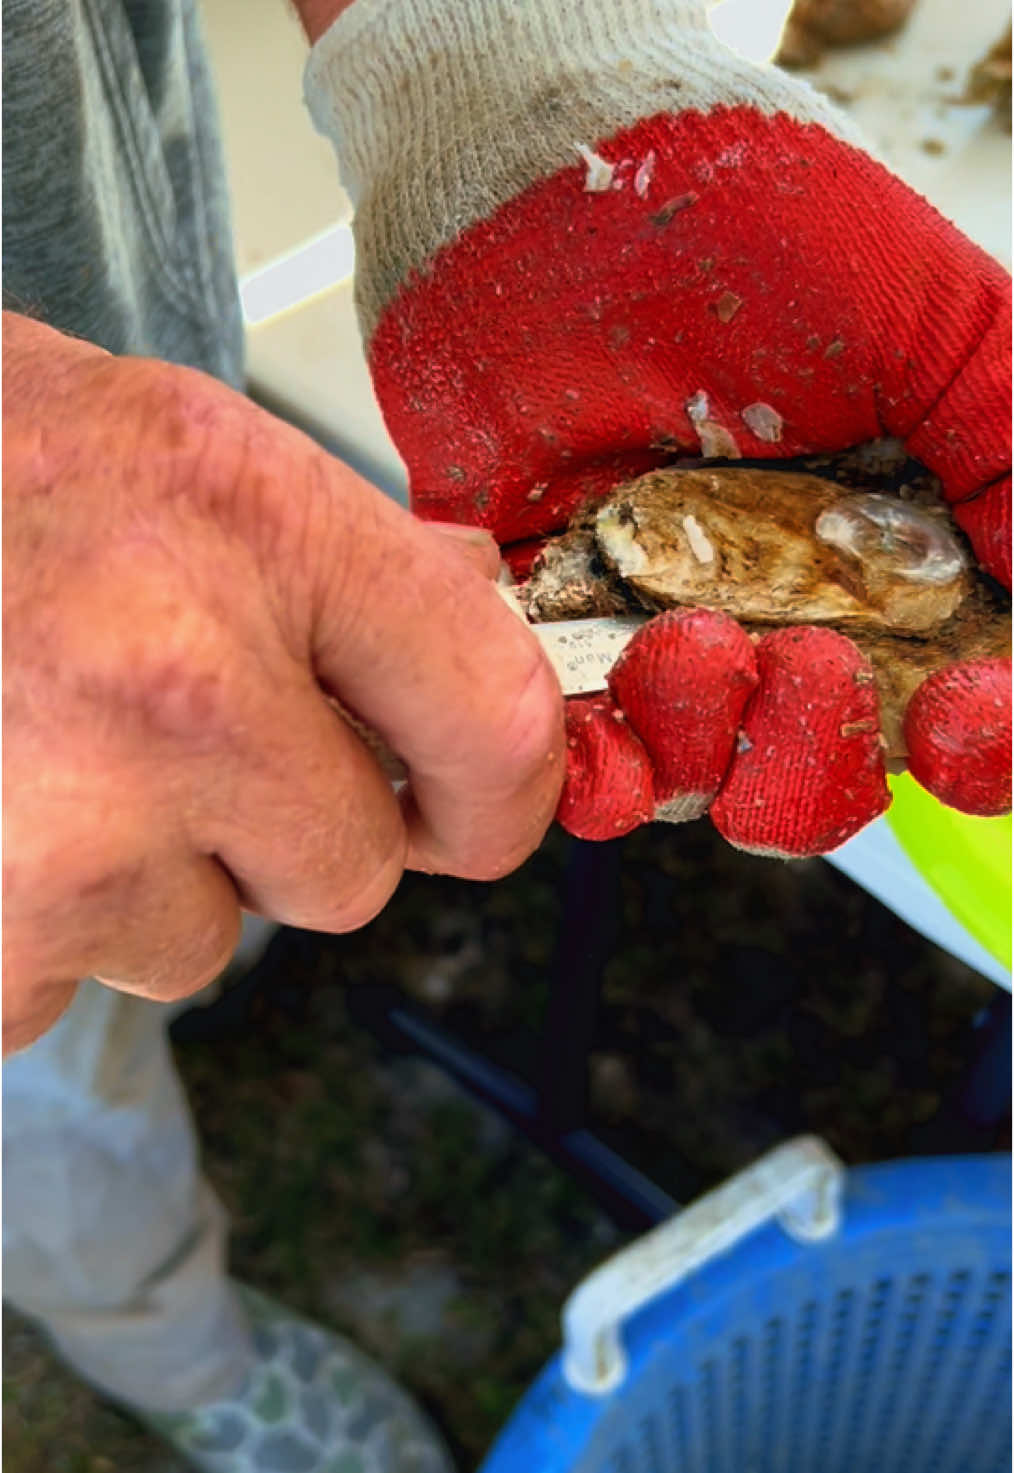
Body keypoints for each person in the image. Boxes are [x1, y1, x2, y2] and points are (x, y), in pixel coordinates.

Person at [3, 0, 1010, 1469]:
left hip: (98, 229)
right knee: (50, 1074)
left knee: (228, 822)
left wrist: (486, 54)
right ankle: (167, 1339)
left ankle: (230, 953)